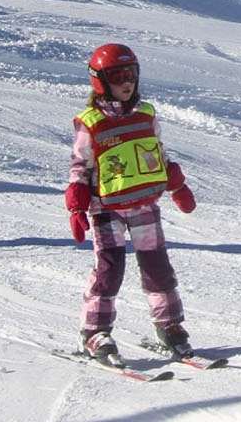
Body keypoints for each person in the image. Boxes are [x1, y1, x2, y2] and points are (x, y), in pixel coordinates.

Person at [65, 43, 199, 366]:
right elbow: (80, 166)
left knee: (157, 267)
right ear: (99, 81)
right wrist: (76, 205)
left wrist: (176, 184)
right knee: (109, 268)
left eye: (131, 75)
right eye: (118, 77)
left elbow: (158, 153)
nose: (126, 83)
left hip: (144, 204)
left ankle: (168, 325)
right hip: (106, 207)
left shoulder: (146, 115)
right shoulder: (92, 123)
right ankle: (94, 331)